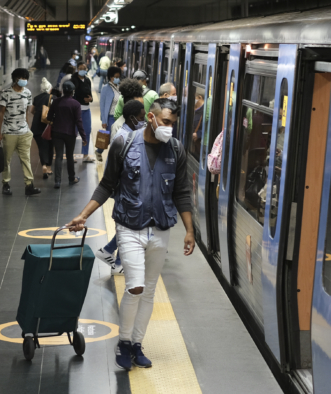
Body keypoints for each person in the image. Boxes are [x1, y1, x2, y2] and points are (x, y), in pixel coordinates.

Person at [66, 98, 194, 370]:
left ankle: (137, 343)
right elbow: (106, 185)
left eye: (173, 124)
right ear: (151, 117)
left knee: (148, 292)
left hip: (160, 229)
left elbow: (182, 192)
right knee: (135, 286)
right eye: (166, 122)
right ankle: (123, 342)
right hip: (129, 227)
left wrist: (189, 230)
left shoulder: (176, 150)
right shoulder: (124, 144)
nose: (169, 128)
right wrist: (83, 215)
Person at [94, 99, 147, 275]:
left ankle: (109, 252)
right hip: (124, 191)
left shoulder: (128, 133)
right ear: (132, 118)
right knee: (127, 229)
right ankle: (117, 262)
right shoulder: (123, 137)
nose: (144, 120)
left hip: (126, 190)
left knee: (127, 227)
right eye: (141, 117)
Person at [0, 68, 41, 196]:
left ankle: (29, 185)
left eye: (25, 78)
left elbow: (26, 112)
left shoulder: (27, 93)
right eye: (22, 78)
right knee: (6, 160)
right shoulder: (6, 94)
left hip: (24, 132)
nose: (24, 80)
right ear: (16, 79)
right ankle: (6, 184)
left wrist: (28, 128)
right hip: (9, 132)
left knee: (26, 159)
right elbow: (1, 114)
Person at [46, 81, 87, 188]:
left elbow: (49, 117)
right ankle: (71, 178)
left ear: (63, 91)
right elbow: (79, 121)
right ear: (72, 92)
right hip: (70, 133)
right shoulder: (76, 104)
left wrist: (57, 119)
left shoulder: (56, 102)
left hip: (57, 132)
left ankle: (57, 181)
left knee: (58, 156)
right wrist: (84, 137)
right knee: (69, 156)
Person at [31, 78, 59, 179]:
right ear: (50, 89)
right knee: (50, 146)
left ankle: (43, 165)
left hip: (37, 126)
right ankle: (49, 167)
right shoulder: (54, 97)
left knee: (41, 147)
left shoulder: (37, 98)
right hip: (49, 127)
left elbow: (32, 111)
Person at [71, 61, 96, 163]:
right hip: (76, 110)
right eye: (80, 68)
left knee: (87, 132)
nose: (82, 70)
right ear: (77, 69)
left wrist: (90, 99)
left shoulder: (87, 80)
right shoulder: (73, 80)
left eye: (84, 69)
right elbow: (73, 95)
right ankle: (70, 155)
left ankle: (85, 155)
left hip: (86, 110)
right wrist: (82, 99)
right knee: (74, 132)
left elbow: (89, 93)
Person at [96, 66, 122, 161]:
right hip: (110, 117)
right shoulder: (105, 88)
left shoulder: (120, 87)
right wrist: (104, 120)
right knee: (109, 137)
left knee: (116, 137)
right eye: (115, 77)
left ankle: (112, 156)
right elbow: (102, 106)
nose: (117, 79)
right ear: (110, 77)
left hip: (120, 117)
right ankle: (100, 151)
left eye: (118, 77)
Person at [192, 89, 205, 155]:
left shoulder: (205, 110)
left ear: (200, 97)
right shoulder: (192, 108)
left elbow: (209, 128)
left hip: (200, 143)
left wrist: (199, 134)